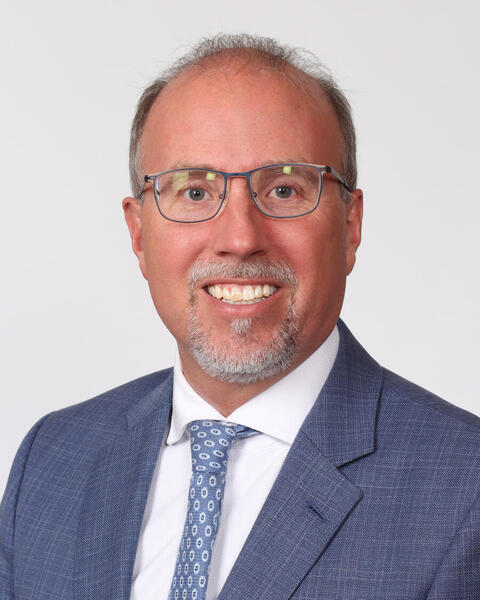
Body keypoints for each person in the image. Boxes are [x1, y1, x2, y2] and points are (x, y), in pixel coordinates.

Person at [1, 33, 479, 600]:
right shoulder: (51, 460)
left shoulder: (464, 488)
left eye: (284, 189)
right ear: (138, 234)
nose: (239, 238)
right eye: (194, 193)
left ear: (350, 226)